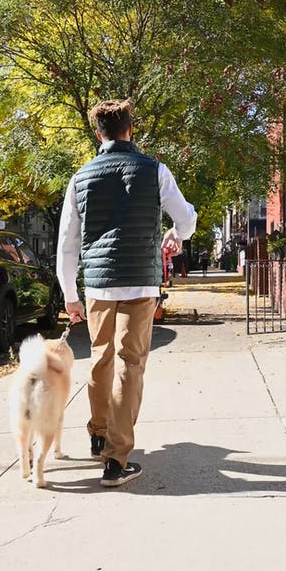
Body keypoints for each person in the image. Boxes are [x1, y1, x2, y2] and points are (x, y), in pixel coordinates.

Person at [56, 99, 197, 487]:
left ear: (98, 134)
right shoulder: (155, 170)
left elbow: (67, 241)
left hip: (98, 284)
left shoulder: (81, 177)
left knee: (101, 358)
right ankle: (116, 460)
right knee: (129, 363)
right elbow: (184, 218)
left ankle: (98, 433)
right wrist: (177, 235)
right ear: (130, 130)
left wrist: (70, 293)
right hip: (139, 279)